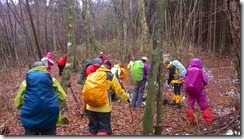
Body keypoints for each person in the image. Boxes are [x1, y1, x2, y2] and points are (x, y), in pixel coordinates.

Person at [14, 60, 67, 135]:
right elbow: (63, 96)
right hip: (50, 115)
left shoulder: (25, 83)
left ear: (32, 69)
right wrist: (52, 101)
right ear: (44, 68)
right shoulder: (52, 80)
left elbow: (17, 103)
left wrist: (26, 105)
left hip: (30, 117)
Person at [82, 61, 129, 135]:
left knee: (92, 129)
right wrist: (126, 97)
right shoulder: (110, 76)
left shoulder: (91, 75)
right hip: (104, 108)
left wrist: (84, 106)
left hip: (90, 107)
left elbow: (84, 91)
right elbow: (119, 91)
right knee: (104, 129)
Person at [184, 58, 213, 125]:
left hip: (190, 91)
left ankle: (190, 121)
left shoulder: (188, 70)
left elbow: (185, 80)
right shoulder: (200, 71)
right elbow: (206, 81)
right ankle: (208, 122)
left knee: (190, 105)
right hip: (199, 91)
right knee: (204, 106)